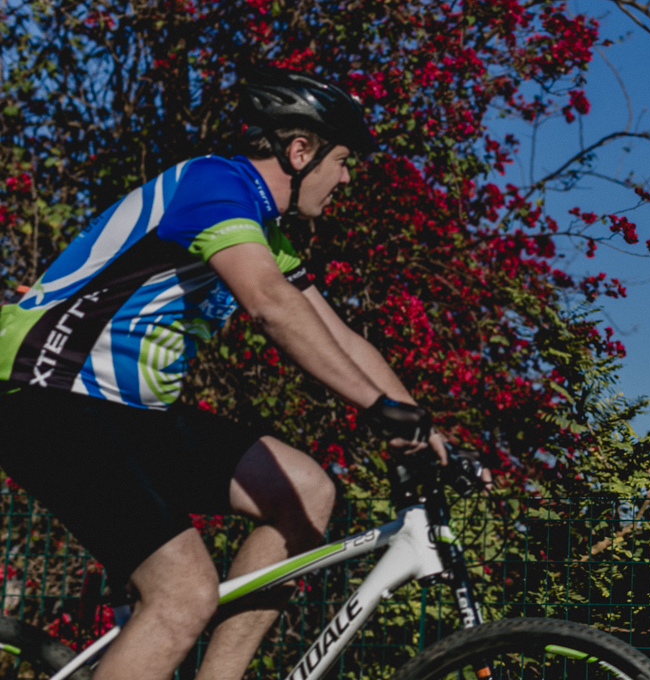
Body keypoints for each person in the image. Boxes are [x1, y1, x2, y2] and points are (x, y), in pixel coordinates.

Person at [0, 66, 452, 680]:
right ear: (300, 151)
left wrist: (420, 423)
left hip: (127, 413)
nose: (346, 178)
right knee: (184, 594)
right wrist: (376, 410)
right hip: (49, 395)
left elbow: (340, 334)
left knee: (307, 489)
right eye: (342, 160)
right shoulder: (214, 183)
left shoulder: (264, 229)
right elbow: (270, 306)